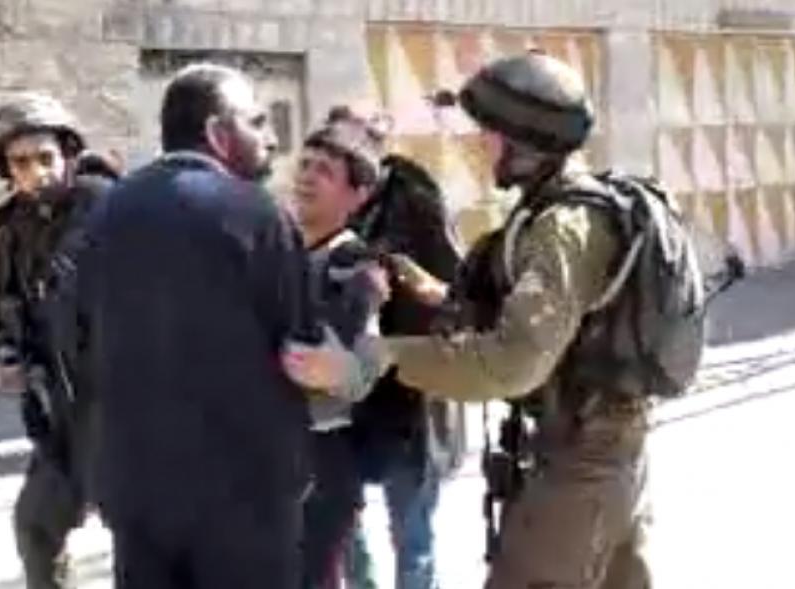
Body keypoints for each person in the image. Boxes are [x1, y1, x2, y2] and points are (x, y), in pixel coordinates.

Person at [382, 51, 680, 588]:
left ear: (524, 143)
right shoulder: (571, 209)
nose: (480, 143)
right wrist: (439, 294)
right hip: (610, 454)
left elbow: (513, 363)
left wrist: (382, 357)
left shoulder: (562, 227)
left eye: (490, 132)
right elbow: (561, 316)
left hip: (579, 469)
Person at [81, 62, 344, 589]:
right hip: (242, 495)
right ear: (218, 133)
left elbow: (78, 340)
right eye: (257, 122)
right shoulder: (256, 213)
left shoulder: (107, 213)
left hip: (135, 487)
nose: (271, 139)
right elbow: (301, 348)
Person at [0, 93, 119, 589]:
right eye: (20, 162)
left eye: (46, 157)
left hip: (121, 412)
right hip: (59, 414)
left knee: (145, 547)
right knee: (36, 529)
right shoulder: (11, 235)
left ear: (69, 154)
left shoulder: (108, 210)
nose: (36, 172)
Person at [324, 105, 464, 589]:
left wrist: (393, 277)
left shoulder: (415, 201)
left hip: (408, 389)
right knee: (342, 528)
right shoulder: (327, 203)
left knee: (411, 533)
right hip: (343, 392)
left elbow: (452, 290)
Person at [286, 115, 392, 588]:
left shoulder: (354, 267)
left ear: (357, 195)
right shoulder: (283, 250)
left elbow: (359, 371)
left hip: (323, 456)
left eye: (325, 171)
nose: (307, 177)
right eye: (305, 165)